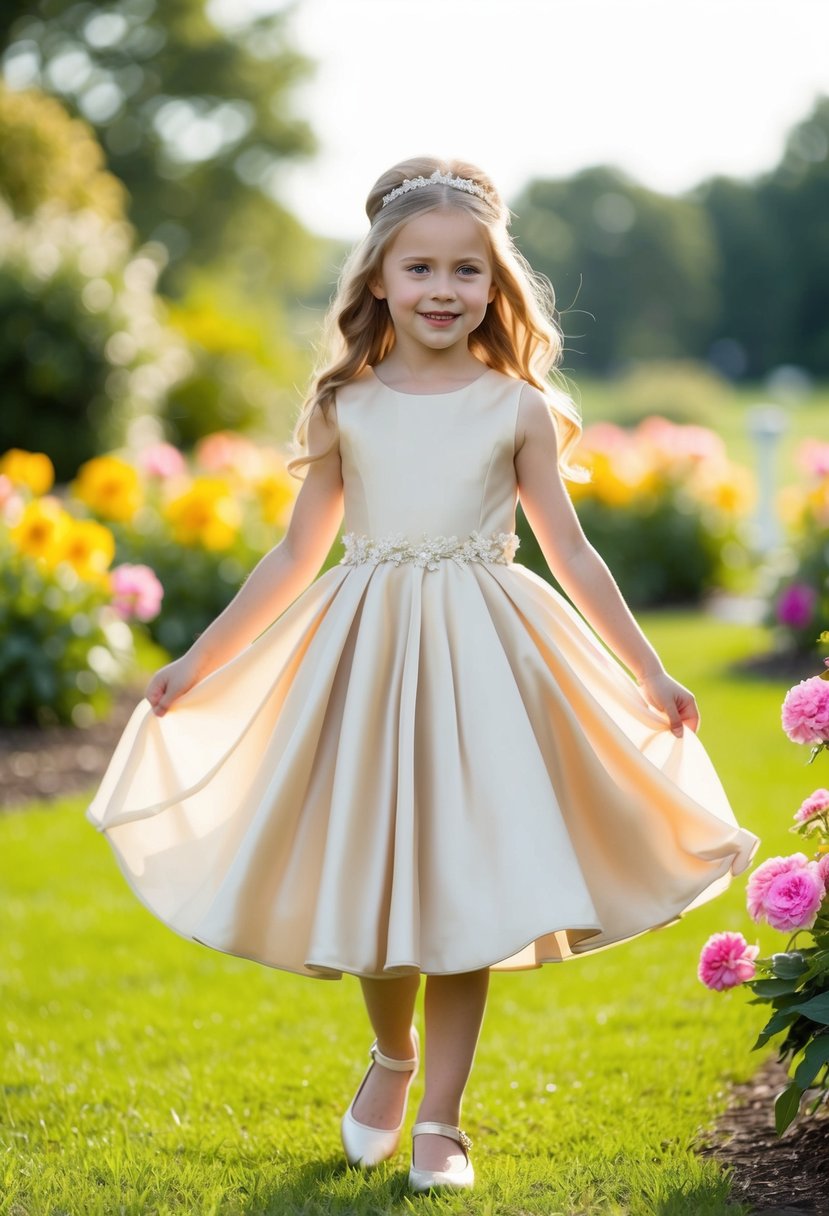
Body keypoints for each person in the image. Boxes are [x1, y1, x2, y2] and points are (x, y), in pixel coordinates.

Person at [87, 156, 760, 1194]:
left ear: (495, 288)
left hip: (485, 666)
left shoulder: (516, 409)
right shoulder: (345, 407)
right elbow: (292, 555)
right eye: (420, 270)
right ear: (377, 282)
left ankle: (441, 1119)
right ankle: (391, 1056)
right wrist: (196, 657)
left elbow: (571, 554)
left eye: (466, 272)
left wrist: (650, 669)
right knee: (377, 874)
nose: (443, 291)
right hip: (366, 657)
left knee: (462, 888)